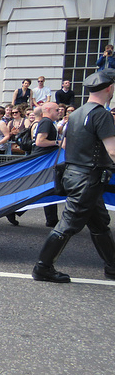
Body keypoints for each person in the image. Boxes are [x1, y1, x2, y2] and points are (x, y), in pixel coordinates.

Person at [32, 68, 115, 283]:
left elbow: (66, 144)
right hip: (88, 178)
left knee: (99, 223)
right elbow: (113, 150)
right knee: (68, 223)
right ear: (109, 88)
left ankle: (113, 266)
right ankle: (43, 267)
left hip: (75, 175)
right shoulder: (101, 114)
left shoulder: (76, 114)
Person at [33, 101, 61, 228]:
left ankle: (52, 219)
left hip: (46, 160)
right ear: (48, 110)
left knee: (46, 188)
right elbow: (40, 141)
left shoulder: (49, 123)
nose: (59, 112)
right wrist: (57, 142)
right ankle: (52, 219)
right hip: (43, 160)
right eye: (57, 110)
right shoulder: (46, 122)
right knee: (46, 188)